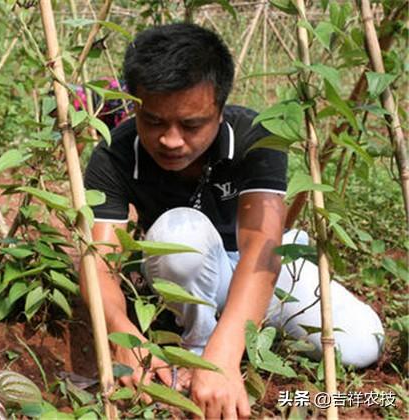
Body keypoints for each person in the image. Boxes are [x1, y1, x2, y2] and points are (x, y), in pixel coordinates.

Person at [80, 23, 384, 418]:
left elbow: (263, 247)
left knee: (364, 343)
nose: (171, 140)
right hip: (183, 275)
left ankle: (223, 344)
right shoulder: (115, 153)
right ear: (135, 104)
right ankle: (197, 346)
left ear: (220, 109)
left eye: (191, 125)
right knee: (179, 235)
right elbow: (96, 260)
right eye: (154, 121)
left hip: (257, 271)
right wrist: (121, 330)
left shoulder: (255, 134)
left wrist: (226, 355)